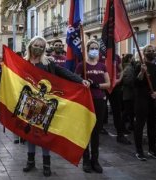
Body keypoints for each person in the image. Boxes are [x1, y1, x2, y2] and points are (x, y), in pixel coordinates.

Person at [22, 36, 90, 177]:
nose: (39, 48)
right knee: (29, 134)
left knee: (44, 133)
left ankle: (47, 164)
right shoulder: (23, 62)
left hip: (45, 103)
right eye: (36, 45)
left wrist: (80, 80)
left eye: (42, 46)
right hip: (29, 102)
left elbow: (64, 72)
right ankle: (30, 161)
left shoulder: (48, 62)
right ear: (30, 45)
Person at [75, 40, 110, 174]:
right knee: (86, 131)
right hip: (86, 101)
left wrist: (96, 86)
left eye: (96, 48)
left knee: (96, 131)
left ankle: (95, 160)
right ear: (87, 50)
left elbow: (108, 84)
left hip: (99, 100)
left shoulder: (102, 66)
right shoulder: (81, 66)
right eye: (92, 48)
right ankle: (86, 161)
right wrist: (82, 84)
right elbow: (75, 81)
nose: (94, 50)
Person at [134, 44, 156, 161]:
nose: (152, 52)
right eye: (149, 50)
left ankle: (152, 149)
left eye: (154, 50)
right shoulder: (140, 66)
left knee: (152, 125)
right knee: (140, 125)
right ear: (144, 53)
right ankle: (139, 151)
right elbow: (136, 83)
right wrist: (142, 73)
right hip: (142, 100)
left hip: (154, 100)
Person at [122, 54, 135, 131]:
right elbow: (128, 81)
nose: (133, 60)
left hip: (128, 93)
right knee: (127, 111)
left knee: (130, 111)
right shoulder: (129, 68)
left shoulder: (128, 67)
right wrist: (134, 84)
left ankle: (131, 125)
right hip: (128, 93)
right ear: (130, 59)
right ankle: (122, 126)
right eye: (132, 58)